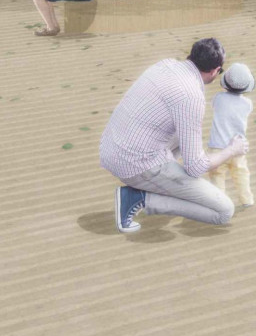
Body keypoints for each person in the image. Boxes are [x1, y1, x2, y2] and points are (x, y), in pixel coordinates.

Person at [100, 37, 248, 233]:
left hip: (110, 147)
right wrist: (231, 150)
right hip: (134, 163)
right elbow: (196, 167)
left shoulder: (165, 64)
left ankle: (164, 181)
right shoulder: (192, 97)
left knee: (185, 133)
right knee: (223, 211)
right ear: (215, 71)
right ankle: (139, 198)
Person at [208, 62, 256, 207]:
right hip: (239, 147)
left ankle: (220, 203)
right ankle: (247, 200)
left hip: (217, 148)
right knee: (241, 174)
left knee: (217, 176)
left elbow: (214, 106)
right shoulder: (248, 104)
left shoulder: (218, 98)